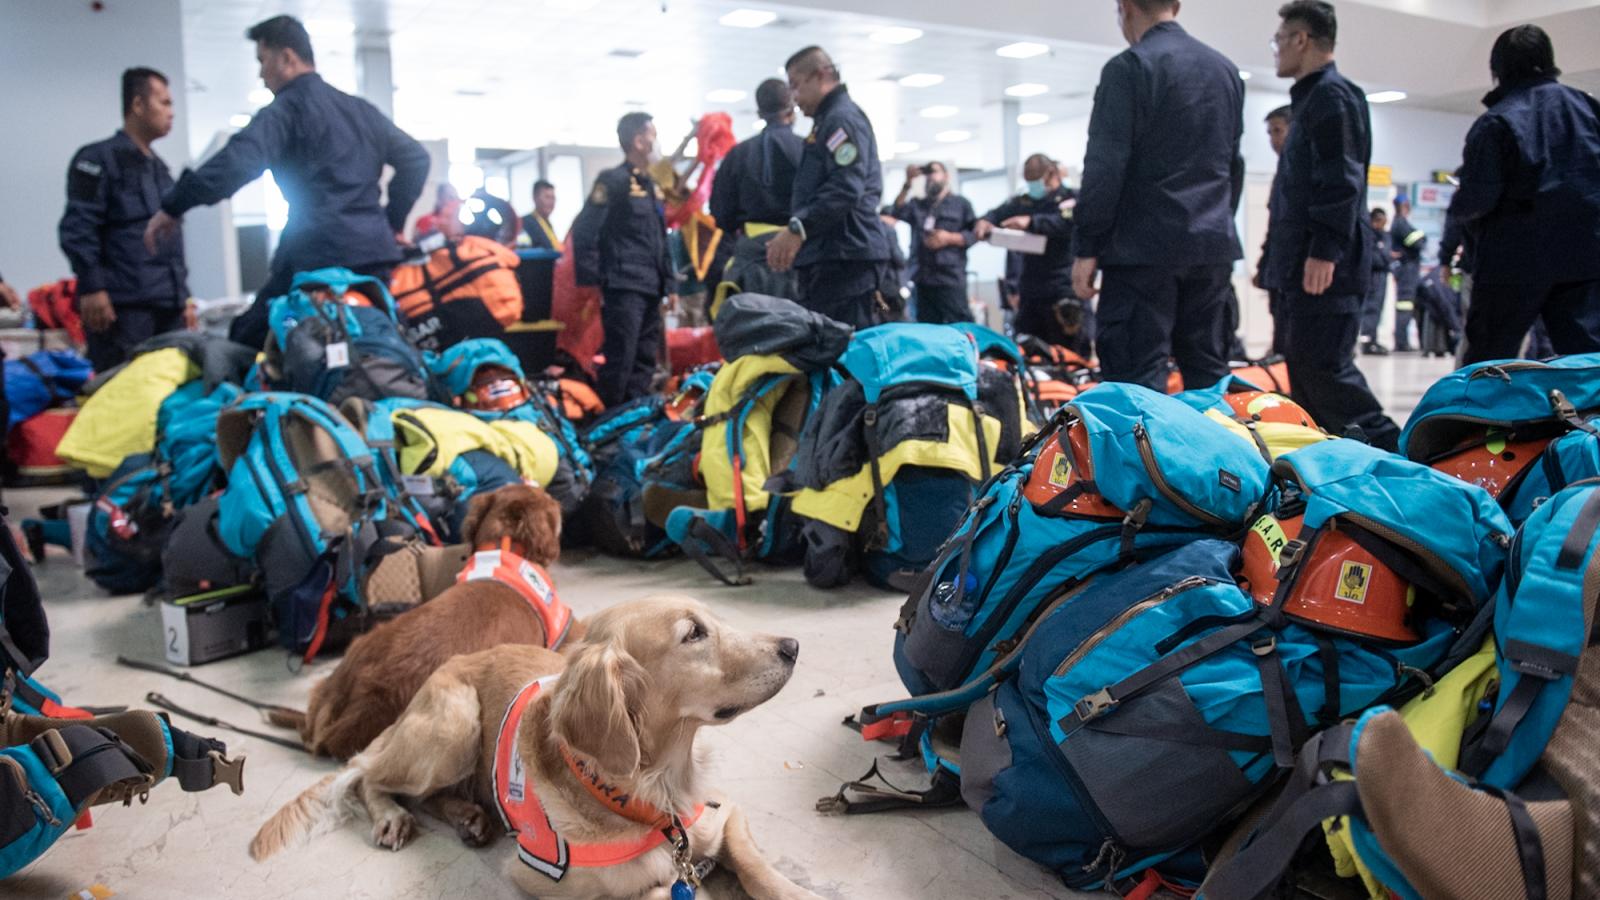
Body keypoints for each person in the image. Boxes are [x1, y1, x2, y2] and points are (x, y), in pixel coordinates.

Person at [144, 15, 430, 348]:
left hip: (314, 257)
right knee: (376, 344)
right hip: (372, 259)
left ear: (287, 58)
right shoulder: (361, 111)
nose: (261, 73)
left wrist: (174, 205)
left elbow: (237, 162)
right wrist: (390, 222)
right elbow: (416, 159)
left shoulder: (286, 111)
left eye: (262, 61)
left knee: (247, 339)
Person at [1070, 0, 1245, 392]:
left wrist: (1087, 246)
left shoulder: (1129, 68)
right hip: (1211, 251)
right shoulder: (1226, 71)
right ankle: (1216, 455)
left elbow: (1105, 167)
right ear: (1177, 6)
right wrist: (1216, 221)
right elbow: (1233, 165)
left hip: (1142, 254)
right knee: (1209, 382)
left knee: (1135, 384)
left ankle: (1143, 457)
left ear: (1125, 7)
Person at [1264, 0, 1400, 450]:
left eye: (1279, 40)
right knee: (1305, 377)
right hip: (1304, 267)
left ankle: (1403, 459)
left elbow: (1342, 179)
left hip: (1325, 269)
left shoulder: (1331, 97)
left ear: (1301, 39)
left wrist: (1324, 249)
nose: (1277, 50)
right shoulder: (1312, 99)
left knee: (1327, 373)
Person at [1449, 24, 1600, 364]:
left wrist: (1457, 206)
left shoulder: (1497, 122)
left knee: (1490, 360)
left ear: (1498, 69)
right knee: (1589, 360)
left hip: (1513, 261)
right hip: (1585, 256)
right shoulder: (1588, 110)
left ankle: (1486, 418)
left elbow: (1478, 199)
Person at [58, 67, 189, 372]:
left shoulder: (161, 170)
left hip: (167, 308)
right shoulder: (96, 159)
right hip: (123, 309)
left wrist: (183, 298)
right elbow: (78, 227)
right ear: (138, 105)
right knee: (122, 400)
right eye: (164, 102)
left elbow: (171, 242)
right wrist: (92, 287)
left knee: (168, 398)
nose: (171, 112)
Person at [766, 46, 893, 329]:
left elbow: (846, 187)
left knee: (846, 354)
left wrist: (799, 227)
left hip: (847, 257)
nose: (794, 99)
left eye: (796, 86)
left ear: (821, 75)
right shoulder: (826, 122)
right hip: (834, 254)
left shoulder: (841, 119)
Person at [570, 112, 676, 408]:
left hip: (650, 286)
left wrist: (671, 285)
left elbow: (659, 239)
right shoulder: (612, 181)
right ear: (639, 141)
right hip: (623, 286)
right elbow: (585, 231)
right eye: (653, 136)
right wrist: (594, 282)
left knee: (644, 359)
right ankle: (608, 424)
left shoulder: (651, 185)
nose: (656, 143)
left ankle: (634, 420)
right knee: (621, 358)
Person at [975, 155, 1087, 355]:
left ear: (1051, 174)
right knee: (1028, 350)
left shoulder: (1071, 199)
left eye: (1036, 180)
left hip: (1063, 287)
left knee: (1067, 352)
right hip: (1031, 290)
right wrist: (985, 221)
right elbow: (997, 214)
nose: (1033, 186)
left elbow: (1066, 223)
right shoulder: (1024, 201)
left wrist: (1032, 222)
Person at [709, 78, 805, 301]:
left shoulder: (737, 155)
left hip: (752, 258)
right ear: (792, 110)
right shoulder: (809, 150)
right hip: (800, 254)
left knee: (756, 327)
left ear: (759, 113)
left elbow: (721, 213)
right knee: (805, 327)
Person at [891, 162, 978, 325]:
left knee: (959, 325)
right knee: (927, 328)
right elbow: (896, 211)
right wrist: (907, 183)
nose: (931, 177)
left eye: (935, 172)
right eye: (928, 173)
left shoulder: (961, 204)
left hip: (950, 279)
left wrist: (949, 238)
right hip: (923, 280)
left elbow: (975, 234)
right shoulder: (918, 204)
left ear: (946, 176)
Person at [1256, 105, 1294, 356]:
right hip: (1278, 269)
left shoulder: (1300, 171)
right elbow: (1276, 226)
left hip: (1295, 271)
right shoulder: (1282, 170)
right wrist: (1264, 267)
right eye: (1270, 133)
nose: (1273, 139)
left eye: (1278, 131)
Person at [1388, 193, 1425, 351]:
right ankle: (1401, 342)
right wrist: (1422, 236)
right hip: (1406, 270)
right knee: (1405, 305)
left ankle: (1402, 340)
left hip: (1408, 269)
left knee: (1408, 306)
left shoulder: (1400, 223)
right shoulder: (1400, 224)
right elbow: (1417, 243)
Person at [1359, 207, 1394, 354]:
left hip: (1381, 276)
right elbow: (1376, 258)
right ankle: (1367, 341)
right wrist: (1384, 257)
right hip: (1372, 276)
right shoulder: (1369, 236)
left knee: (1377, 309)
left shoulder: (1383, 236)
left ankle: (1372, 338)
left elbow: (1386, 255)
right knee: (1371, 308)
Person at [521, 180, 560, 252]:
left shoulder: (547, 223)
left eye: (553, 198)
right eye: (547, 197)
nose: (551, 202)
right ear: (535, 198)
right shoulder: (525, 223)